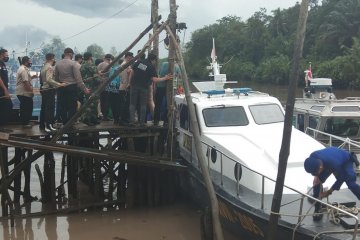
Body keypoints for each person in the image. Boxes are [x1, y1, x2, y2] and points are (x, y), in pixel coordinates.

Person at [304, 147, 360, 220]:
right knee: (316, 183)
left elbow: (341, 179)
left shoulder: (334, 164)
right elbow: (317, 175)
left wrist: (328, 192)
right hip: (329, 161)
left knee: (351, 183)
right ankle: (317, 207)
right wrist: (317, 179)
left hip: (345, 160)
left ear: (321, 167)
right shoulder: (312, 156)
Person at [129, 53, 172, 125]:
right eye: (155, 61)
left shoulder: (138, 62)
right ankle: (142, 122)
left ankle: (131, 121)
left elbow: (132, 72)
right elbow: (154, 79)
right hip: (144, 87)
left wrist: (130, 82)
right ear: (153, 60)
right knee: (143, 105)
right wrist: (165, 78)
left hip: (134, 85)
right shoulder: (151, 67)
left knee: (132, 104)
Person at [54, 48, 90, 125]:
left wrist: (58, 87)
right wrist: (85, 89)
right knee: (72, 106)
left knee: (63, 106)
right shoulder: (74, 64)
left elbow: (56, 78)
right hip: (71, 87)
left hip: (61, 87)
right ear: (70, 54)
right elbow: (78, 79)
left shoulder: (58, 64)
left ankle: (64, 122)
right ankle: (70, 123)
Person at [40, 53, 64, 132]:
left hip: (44, 89)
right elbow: (49, 80)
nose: (55, 60)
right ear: (52, 59)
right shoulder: (50, 67)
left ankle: (42, 125)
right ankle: (48, 125)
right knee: (50, 108)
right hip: (49, 89)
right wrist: (59, 84)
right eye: (54, 58)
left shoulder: (43, 67)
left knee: (44, 108)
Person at [154, 60, 182, 125]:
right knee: (168, 104)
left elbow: (160, 73)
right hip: (169, 88)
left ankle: (156, 120)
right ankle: (166, 121)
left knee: (158, 104)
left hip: (160, 86)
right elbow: (180, 76)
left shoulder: (163, 64)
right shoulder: (176, 66)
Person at [80, 52, 100, 126]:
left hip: (84, 86)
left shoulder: (82, 65)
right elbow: (96, 78)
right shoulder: (91, 65)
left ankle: (92, 119)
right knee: (93, 103)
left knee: (87, 102)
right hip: (92, 87)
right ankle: (88, 119)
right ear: (90, 57)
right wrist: (101, 80)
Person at [16, 56, 36, 127]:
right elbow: (25, 82)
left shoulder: (23, 69)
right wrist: (31, 92)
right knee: (26, 108)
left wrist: (33, 77)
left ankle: (26, 122)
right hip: (24, 92)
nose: (31, 63)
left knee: (26, 107)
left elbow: (26, 78)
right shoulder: (23, 70)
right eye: (29, 61)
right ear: (26, 62)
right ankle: (25, 123)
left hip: (22, 92)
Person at [97, 54, 114, 121]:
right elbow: (110, 75)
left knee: (102, 100)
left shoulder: (99, 65)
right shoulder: (108, 65)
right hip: (106, 85)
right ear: (109, 59)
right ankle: (105, 116)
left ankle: (103, 115)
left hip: (100, 85)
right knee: (106, 101)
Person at [118, 52, 133, 125]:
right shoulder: (125, 65)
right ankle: (123, 120)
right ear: (128, 57)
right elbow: (124, 78)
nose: (131, 59)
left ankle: (124, 119)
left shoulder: (126, 65)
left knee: (124, 104)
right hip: (124, 87)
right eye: (130, 58)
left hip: (123, 86)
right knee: (124, 105)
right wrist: (128, 85)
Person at [0, 48, 13, 126]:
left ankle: (2, 126)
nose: (7, 57)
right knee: (7, 106)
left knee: (5, 107)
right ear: (1, 55)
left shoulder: (3, 64)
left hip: (4, 89)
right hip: (1, 90)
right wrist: (5, 89)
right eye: (6, 55)